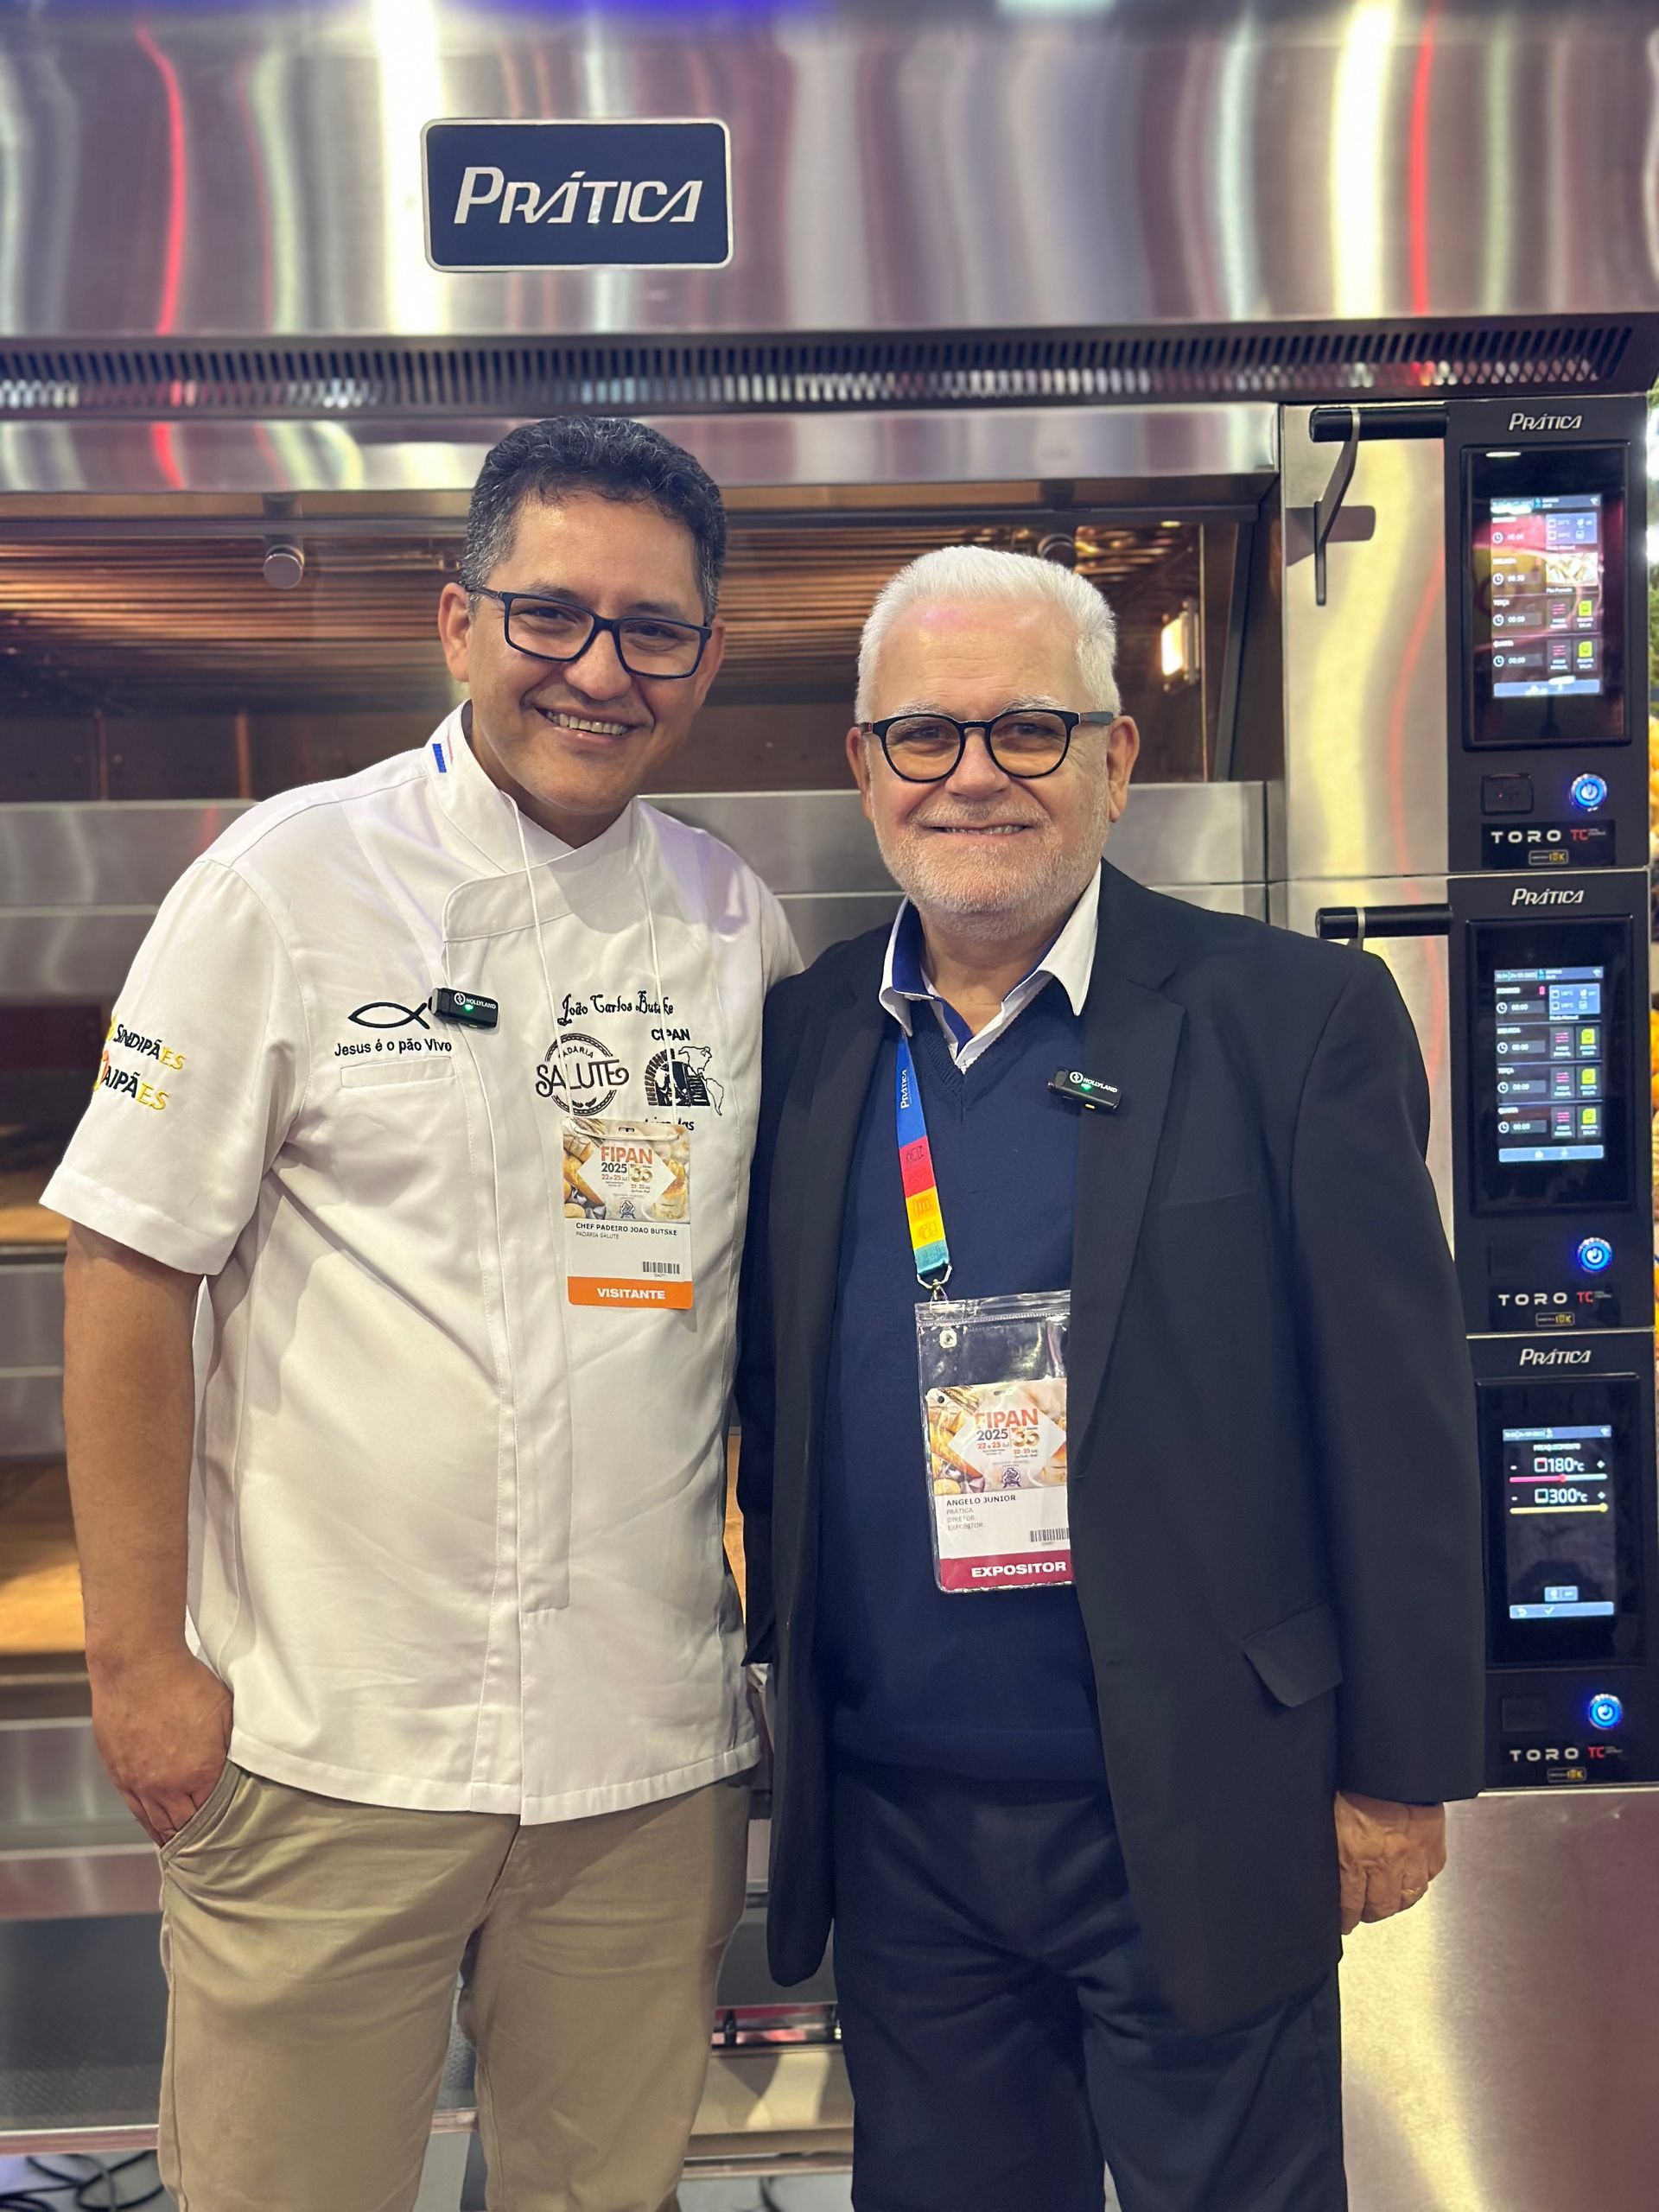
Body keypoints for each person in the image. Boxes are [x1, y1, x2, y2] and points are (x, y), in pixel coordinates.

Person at [49, 416, 798, 2212]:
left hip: (642, 1760)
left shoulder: (730, 924)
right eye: (553, 614)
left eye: (654, 629)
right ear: (459, 623)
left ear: (704, 658)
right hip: (329, 1741)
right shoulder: (284, 885)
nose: (600, 669)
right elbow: (128, 1266)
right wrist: (139, 1666)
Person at [736, 545, 1483, 2212]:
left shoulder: (1293, 1019)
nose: (974, 774)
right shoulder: (808, 1037)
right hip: (904, 1819)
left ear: (1116, 758)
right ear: (863, 765)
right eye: (924, 734)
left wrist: (1397, 1771)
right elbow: (775, 1397)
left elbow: (1401, 1428)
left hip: (1207, 1797)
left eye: (1030, 729)